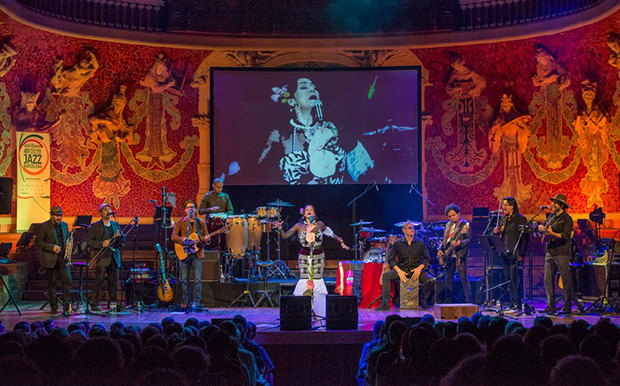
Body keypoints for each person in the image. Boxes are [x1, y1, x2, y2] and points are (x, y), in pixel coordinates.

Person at [275, 205, 349, 316]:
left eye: (311, 210)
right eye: (307, 210)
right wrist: (280, 229)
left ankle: (318, 310)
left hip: (318, 255)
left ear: (314, 214)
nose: (309, 211)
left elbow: (331, 234)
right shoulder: (298, 226)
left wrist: (341, 241)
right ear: (303, 213)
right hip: (304, 255)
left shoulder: (320, 224)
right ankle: (304, 311)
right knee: (305, 279)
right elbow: (285, 236)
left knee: (317, 279)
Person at [375, 221, 433, 311]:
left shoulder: (420, 243)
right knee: (386, 276)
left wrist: (419, 268)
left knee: (430, 281)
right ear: (404, 230)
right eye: (410, 228)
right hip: (402, 270)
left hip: (415, 271)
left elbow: (427, 258)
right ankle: (385, 303)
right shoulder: (398, 243)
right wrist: (398, 271)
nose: (412, 230)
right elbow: (391, 259)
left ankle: (423, 300)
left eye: (413, 228)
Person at [538, 194, 574, 315]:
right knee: (548, 279)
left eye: (556, 203)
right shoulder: (551, 217)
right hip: (550, 251)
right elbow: (546, 230)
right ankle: (551, 305)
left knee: (565, 280)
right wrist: (541, 229)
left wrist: (552, 233)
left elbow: (566, 236)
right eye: (553, 202)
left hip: (561, 252)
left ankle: (567, 307)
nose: (553, 204)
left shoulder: (567, 218)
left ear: (562, 205)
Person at [171, 200, 210, 311]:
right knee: (184, 279)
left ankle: (197, 302)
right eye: (188, 207)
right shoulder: (180, 222)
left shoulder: (201, 222)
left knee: (197, 279)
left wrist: (207, 239)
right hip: (184, 253)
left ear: (195, 209)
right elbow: (173, 237)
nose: (190, 209)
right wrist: (183, 239)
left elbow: (207, 238)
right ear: (185, 210)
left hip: (197, 253)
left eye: (192, 207)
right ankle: (185, 302)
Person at [493, 197, 529, 311]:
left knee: (514, 278)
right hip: (504, 252)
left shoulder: (520, 219)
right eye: (503, 205)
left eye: (506, 205)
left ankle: (518, 302)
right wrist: (496, 231)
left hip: (515, 252)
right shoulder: (503, 219)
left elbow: (525, 238)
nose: (504, 207)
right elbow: (500, 236)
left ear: (512, 206)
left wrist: (522, 253)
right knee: (508, 278)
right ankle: (513, 302)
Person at [34, 206, 71, 316]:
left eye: (60, 215)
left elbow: (67, 239)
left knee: (67, 282)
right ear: (51, 216)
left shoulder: (64, 225)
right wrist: (52, 247)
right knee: (52, 284)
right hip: (51, 259)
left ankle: (66, 307)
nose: (59, 218)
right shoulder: (44, 226)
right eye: (57, 216)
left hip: (63, 259)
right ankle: (54, 307)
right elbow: (39, 241)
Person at [87, 203, 124, 311]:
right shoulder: (94, 226)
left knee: (114, 283)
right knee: (99, 281)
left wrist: (120, 237)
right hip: (102, 257)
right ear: (100, 212)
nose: (108, 211)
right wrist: (101, 243)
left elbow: (123, 242)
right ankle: (95, 304)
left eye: (109, 209)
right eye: (105, 209)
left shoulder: (115, 225)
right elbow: (89, 242)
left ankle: (112, 304)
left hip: (114, 257)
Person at [438, 203, 473, 303]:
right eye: (449, 216)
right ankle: (448, 300)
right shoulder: (448, 225)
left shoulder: (464, 225)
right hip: (448, 256)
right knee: (448, 279)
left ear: (458, 214)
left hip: (459, 255)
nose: (452, 218)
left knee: (463, 278)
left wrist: (460, 243)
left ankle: (468, 301)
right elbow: (444, 241)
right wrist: (440, 249)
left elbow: (469, 239)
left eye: (453, 215)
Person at [199, 178, 233, 250]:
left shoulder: (225, 196)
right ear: (213, 186)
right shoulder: (208, 196)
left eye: (221, 187)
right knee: (213, 242)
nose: (220, 189)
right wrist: (209, 209)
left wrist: (225, 215)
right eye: (218, 187)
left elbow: (231, 210)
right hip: (211, 223)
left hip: (223, 222)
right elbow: (200, 211)